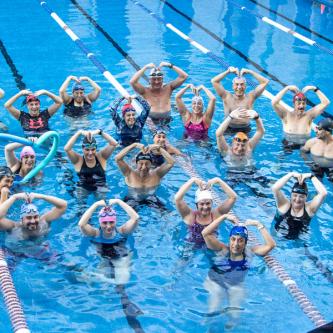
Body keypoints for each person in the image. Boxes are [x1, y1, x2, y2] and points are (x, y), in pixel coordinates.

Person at [202, 214, 275, 327]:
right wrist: (224, 217)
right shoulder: (222, 249)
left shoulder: (250, 252)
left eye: (240, 240)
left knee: (234, 316)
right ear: (229, 240)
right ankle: (208, 327)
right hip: (215, 281)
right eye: (233, 239)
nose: (236, 244)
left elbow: (271, 245)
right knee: (215, 304)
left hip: (235, 285)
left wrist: (258, 224)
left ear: (245, 242)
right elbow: (205, 233)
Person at [78, 198, 139, 285]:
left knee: (123, 281)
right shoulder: (95, 233)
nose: (108, 226)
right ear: (100, 223)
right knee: (101, 284)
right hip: (103, 258)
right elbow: (81, 224)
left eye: (111, 222)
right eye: (104, 223)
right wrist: (95, 205)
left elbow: (135, 218)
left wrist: (119, 201)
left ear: (115, 221)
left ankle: (121, 291)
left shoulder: (122, 231)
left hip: (121, 257)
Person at [174, 177, 237, 246]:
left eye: (208, 203)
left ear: (212, 203)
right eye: (202, 204)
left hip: (211, 246)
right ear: (196, 204)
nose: (205, 207)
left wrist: (218, 180)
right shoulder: (190, 216)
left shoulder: (217, 214)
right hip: (191, 245)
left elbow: (233, 197)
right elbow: (177, 199)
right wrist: (192, 180)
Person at [211, 67, 269, 132]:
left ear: (245, 86)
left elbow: (265, 82)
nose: (239, 87)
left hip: (245, 129)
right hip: (228, 127)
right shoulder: (226, 96)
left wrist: (250, 72)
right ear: (233, 86)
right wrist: (228, 71)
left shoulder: (251, 97)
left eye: (242, 84)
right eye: (237, 84)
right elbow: (214, 81)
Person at [271, 172, 327, 239]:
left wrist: (312, 176)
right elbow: (275, 188)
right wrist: (291, 174)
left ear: (306, 198)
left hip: (299, 241)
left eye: (301, 197)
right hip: (278, 238)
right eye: (295, 195)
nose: (297, 199)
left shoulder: (309, 209)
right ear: (290, 195)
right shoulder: (284, 205)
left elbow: (323, 193)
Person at [0, 192, 67, 240]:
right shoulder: (13, 227)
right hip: (15, 254)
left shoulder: (44, 222)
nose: (33, 221)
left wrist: (42, 196)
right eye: (29, 218)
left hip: (41, 252)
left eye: (35, 217)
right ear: (22, 219)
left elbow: (63, 205)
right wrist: (14, 197)